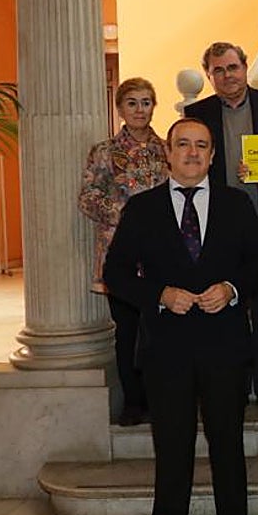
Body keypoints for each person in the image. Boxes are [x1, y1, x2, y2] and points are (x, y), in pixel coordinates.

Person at [104, 117, 258, 515]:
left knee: (226, 439)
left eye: (201, 145)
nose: (193, 153)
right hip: (166, 347)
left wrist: (233, 289)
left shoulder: (237, 205)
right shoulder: (142, 209)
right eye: (183, 145)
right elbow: (114, 273)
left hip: (225, 344)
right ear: (168, 153)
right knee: (172, 442)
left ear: (213, 155)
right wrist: (159, 294)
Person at [185, 43, 258, 413]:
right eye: (218, 70)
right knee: (223, 315)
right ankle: (227, 388)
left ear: (246, 68)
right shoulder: (196, 114)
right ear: (210, 76)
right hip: (216, 228)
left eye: (233, 67)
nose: (227, 75)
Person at [77, 77, 168, 427]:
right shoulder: (103, 152)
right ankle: (133, 401)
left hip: (161, 256)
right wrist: (124, 213)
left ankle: (160, 396)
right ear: (119, 108)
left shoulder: (166, 149)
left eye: (146, 102)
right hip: (120, 256)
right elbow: (87, 197)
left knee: (160, 331)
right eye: (132, 103)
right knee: (127, 330)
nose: (140, 110)